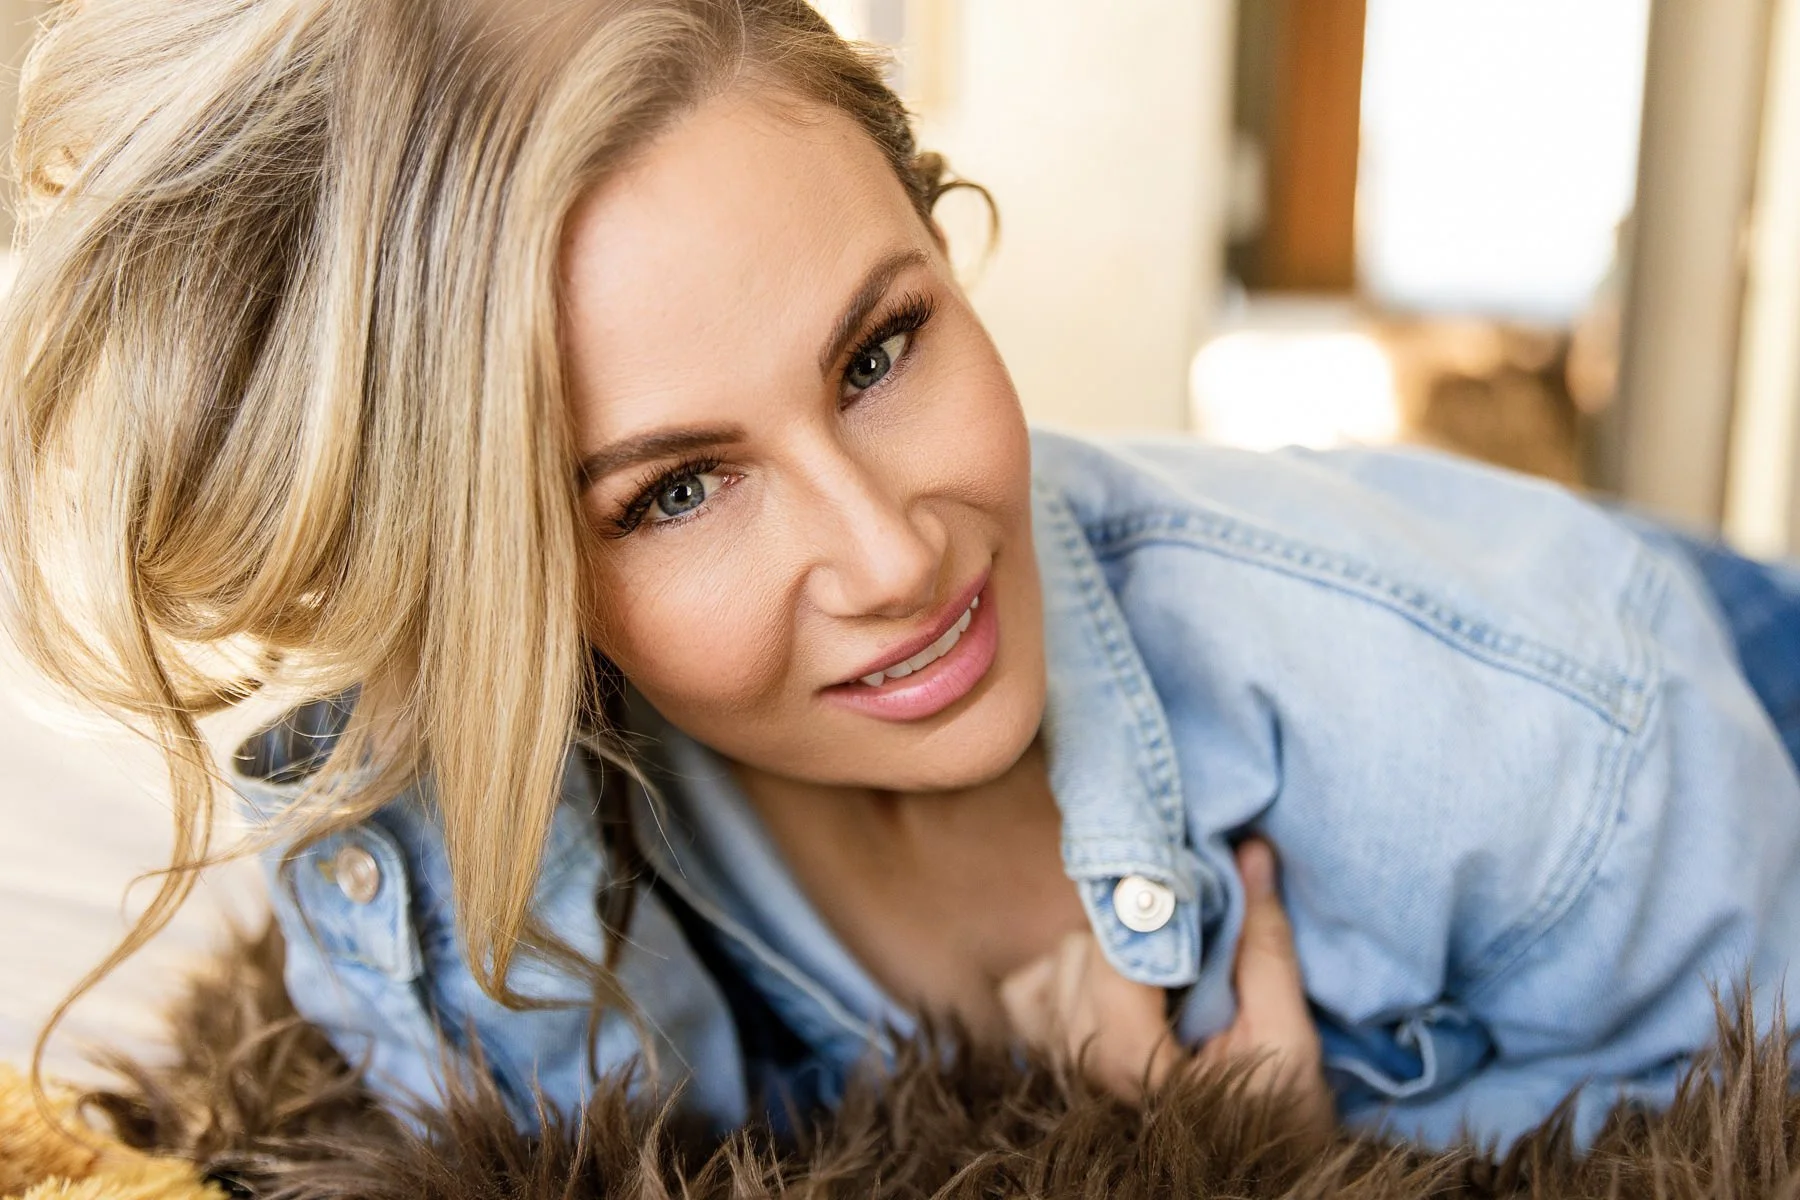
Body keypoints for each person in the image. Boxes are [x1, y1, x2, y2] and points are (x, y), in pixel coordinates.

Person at [6, 0, 1800, 1153]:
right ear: (501, 588)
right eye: (678, 491)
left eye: (878, 353)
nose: (895, 554)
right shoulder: (475, 879)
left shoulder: (1547, 744)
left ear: (940, 238)